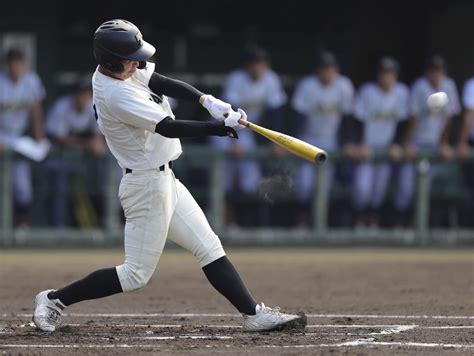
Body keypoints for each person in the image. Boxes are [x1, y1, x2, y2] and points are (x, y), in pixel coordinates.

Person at [32, 19, 305, 333]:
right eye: (131, 56)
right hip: (146, 184)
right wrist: (218, 128)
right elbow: (167, 126)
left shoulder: (124, 69)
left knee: (209, 247)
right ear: (110, 60)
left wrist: (208, 101)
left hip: (166, 180)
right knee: (135, 275)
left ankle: (253, 314)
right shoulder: (115, 94)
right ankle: (54, 299)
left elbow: (159, 81)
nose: (138, 61)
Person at [211, 46, 287, 224]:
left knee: (250, 181)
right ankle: (223, 220)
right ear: (247, 66)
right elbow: (229, 113)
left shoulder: (271, 79)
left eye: (261, 64)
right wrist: (232, 141)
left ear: (266, 65)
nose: (257, 68)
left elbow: (276, 113)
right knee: (225, 180)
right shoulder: (236, 79)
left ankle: (244, 222)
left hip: (246, 131)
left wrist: (277, 141)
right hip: (221, 129)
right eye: (254, 64)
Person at [395, 55, 460, 223]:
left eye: (439, 71)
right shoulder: (419, 87)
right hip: (417, 142)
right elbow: (412, 118)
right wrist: (408, 143)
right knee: (406, 187)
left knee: (426, 188)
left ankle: (415, 225)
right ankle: (399, 224)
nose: (436, 74)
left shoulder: (449, 86)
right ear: (427, 72)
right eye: (432, 71)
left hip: (434, 145)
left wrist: (443, 143)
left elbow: (449, 118)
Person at [291, 50, 354, 224]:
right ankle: (301, 223)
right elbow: (299, 117)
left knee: (325, 187)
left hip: (330, 139)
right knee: (304, 185)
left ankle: (320, 224)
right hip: (308, 137)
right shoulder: (308, 85)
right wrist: (295, 141)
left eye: (331, 69)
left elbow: (347, 119)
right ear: (317, 71)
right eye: (324, 69)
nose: (327, 73)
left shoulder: (344, 85)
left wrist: (348, 142)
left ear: (336, 70)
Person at [351, 57, 409, 227]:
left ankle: (372, 221)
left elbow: (403, 121)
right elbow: (357, 119)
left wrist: (397, 143)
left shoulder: (402, 92)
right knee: (362, 188)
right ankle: (358, 221)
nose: (387, 77)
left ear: (395, 76)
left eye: (390, 73)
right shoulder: (367, 91)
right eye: (384, 73)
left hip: (386, 147)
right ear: (378, 75)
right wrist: (359, 142)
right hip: (367, 146)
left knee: (379, 190)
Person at [45, 77, 105, 227]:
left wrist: (96, 141)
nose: (81, 98)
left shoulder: (95, 106)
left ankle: (99, 227)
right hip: (59, 156)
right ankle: (59, 229)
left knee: (101, 183)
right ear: (72, 95)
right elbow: (59, 138)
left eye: (84, 94)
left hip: (85, 161)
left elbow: (99, 136)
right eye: (78, 94)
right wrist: (86, 144)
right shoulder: (62, 107)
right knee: (60, 190)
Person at [0, 48, 46, 226]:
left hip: (19, 137)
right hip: (2, 133)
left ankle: (22, 225)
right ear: (7, 65)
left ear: (24, 64)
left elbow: (36, 110)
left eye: (19, 63)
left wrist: (40, 137)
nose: (16, 66)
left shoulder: (31, 81)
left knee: (22, 185)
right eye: (12, 63)